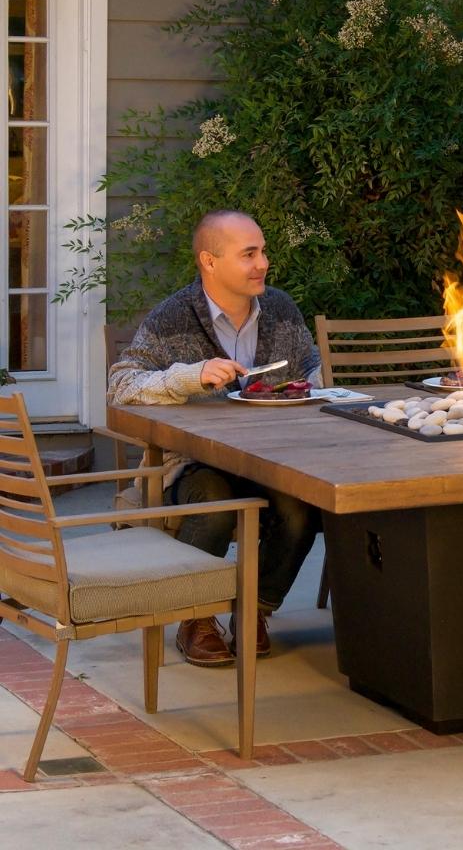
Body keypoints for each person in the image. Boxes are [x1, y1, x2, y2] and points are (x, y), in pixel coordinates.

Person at [108, 210, 323, 668]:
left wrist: (320, 387)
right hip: (196, 463)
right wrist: (191, 375)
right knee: (213, 501)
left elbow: (312, 370)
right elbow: (121, 385)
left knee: (302, 509)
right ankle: (196, 618)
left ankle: (255, 611)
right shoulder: (174, 316)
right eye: (249, 254)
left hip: (274, 459)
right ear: (209, 261)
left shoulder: (281, 309)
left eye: (262, 251)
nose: (263, 263)